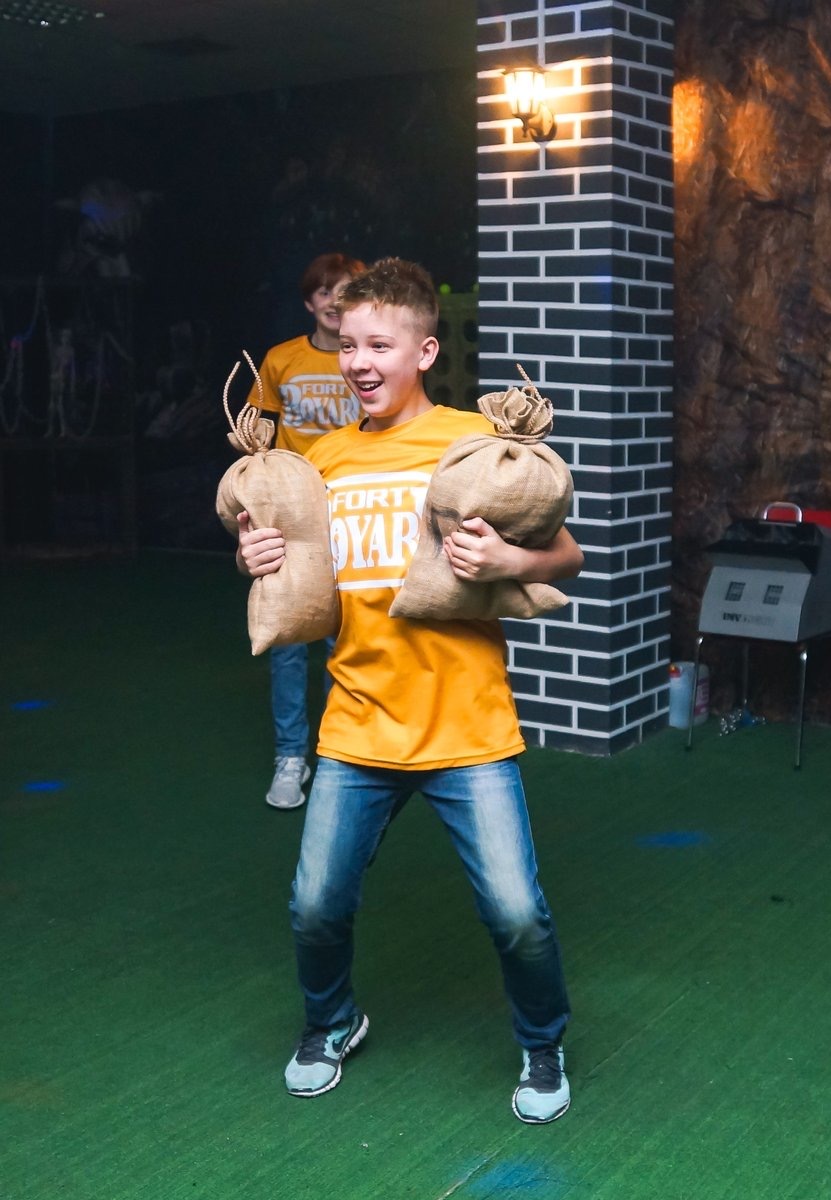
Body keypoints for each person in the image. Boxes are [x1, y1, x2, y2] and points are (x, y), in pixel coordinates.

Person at [236, 257, 583, 1124]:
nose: (358, 361)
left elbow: (566, 557)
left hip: (466, 725)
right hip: (357, 724)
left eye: (379, 345)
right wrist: (258, 554)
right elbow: (293, 569)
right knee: (315, 905)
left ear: (424, 351)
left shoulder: (474, 442)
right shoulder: (321, 459)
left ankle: (542, 1043)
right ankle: (332, 1023)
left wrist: (507, 559)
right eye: (348, 344)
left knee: (517, 913)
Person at [250, 251, 365, 809]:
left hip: (353, 509)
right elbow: (258, 431)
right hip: (292, 515)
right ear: (308, 302)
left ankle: (340, 752)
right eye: (325, 292)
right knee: (290, 643)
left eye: (347, 292)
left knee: (347, 637)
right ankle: (291, 757)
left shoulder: (365, 359)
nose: (335, 302)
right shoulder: (280, 359)